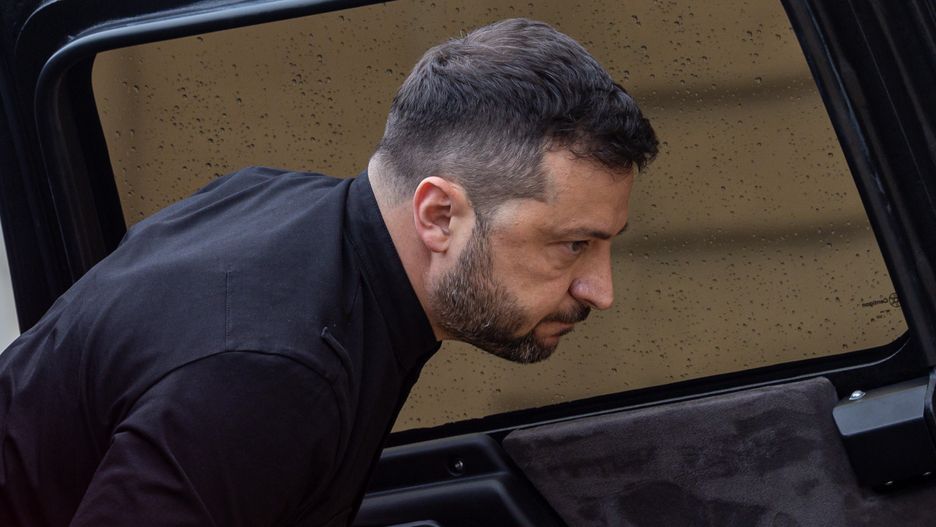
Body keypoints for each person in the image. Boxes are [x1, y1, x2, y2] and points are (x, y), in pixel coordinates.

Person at [0, 17, 657, 527]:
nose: (600, 289)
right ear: (437, 214)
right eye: (573, 245)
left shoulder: (283, 209)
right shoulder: (270, 375)